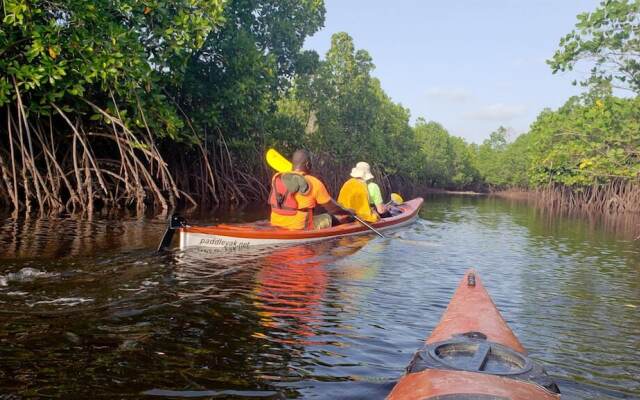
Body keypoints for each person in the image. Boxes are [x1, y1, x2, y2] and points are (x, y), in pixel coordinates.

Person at [269, 150, 351, 230]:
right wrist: (348, 212)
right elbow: (333, 209)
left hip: (276, 222)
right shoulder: (314, 182)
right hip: (300, 226)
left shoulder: (276, 177)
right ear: (308, 164)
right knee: (335, 217)